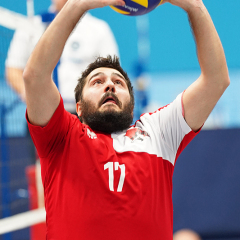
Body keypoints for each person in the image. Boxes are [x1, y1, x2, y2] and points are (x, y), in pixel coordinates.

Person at [22, 0, 230, 239]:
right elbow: (34, 77)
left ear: (131, 106)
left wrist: (195, 7)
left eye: (118, 82)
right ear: (77, 107)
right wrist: (76, 6)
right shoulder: (62, 135)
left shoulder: (158, 132)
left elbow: (216, 80)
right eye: (97, 81)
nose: (110, 84)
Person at [5, 0, 119, 112]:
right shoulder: (31, 26)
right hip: (44, 115)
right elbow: (13, 68)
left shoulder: (99, 29)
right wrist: (32, 98)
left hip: (87, 115)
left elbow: (111, 73)